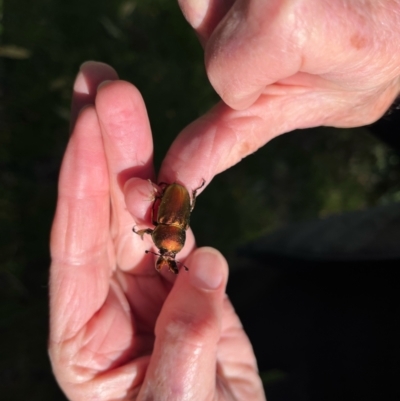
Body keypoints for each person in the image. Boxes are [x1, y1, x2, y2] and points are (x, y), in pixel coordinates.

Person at [49, 2, 400, 399]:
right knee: (254, 296)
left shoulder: (166, 228)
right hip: (341, 284)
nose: (161, 252)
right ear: (169, 233)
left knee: (248, 299)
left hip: (338, 305)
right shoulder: (166, 229)